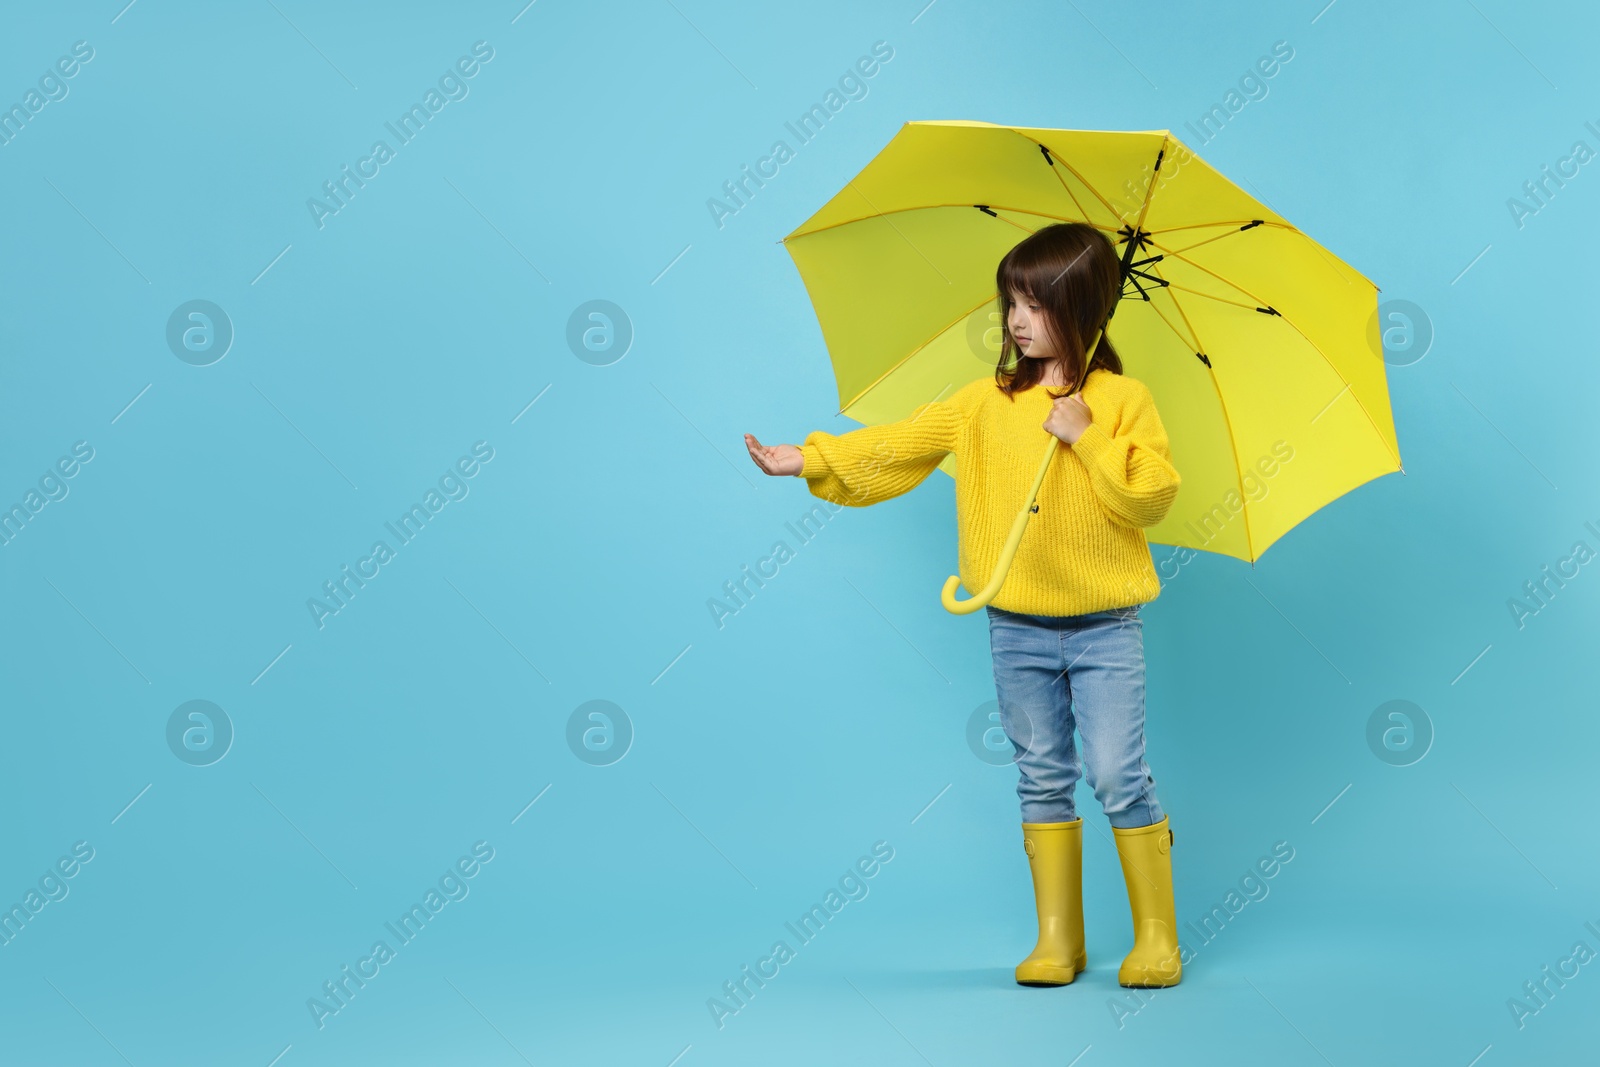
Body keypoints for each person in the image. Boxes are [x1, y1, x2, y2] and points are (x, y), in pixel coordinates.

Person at [744, 221, 1184, 989]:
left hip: (1105, 628)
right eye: (1010, 300)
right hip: (1016, 625)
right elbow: (902, 444)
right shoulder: (982, 403)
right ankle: (1059, 938)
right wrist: (809, 457)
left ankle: (1155, 935)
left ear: (1081, 306)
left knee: (1117, 770)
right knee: (1042, 773)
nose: (1015, 319)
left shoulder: (1120, 401)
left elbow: (1150, 498)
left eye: (1035, 303)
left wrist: (1088, 437)